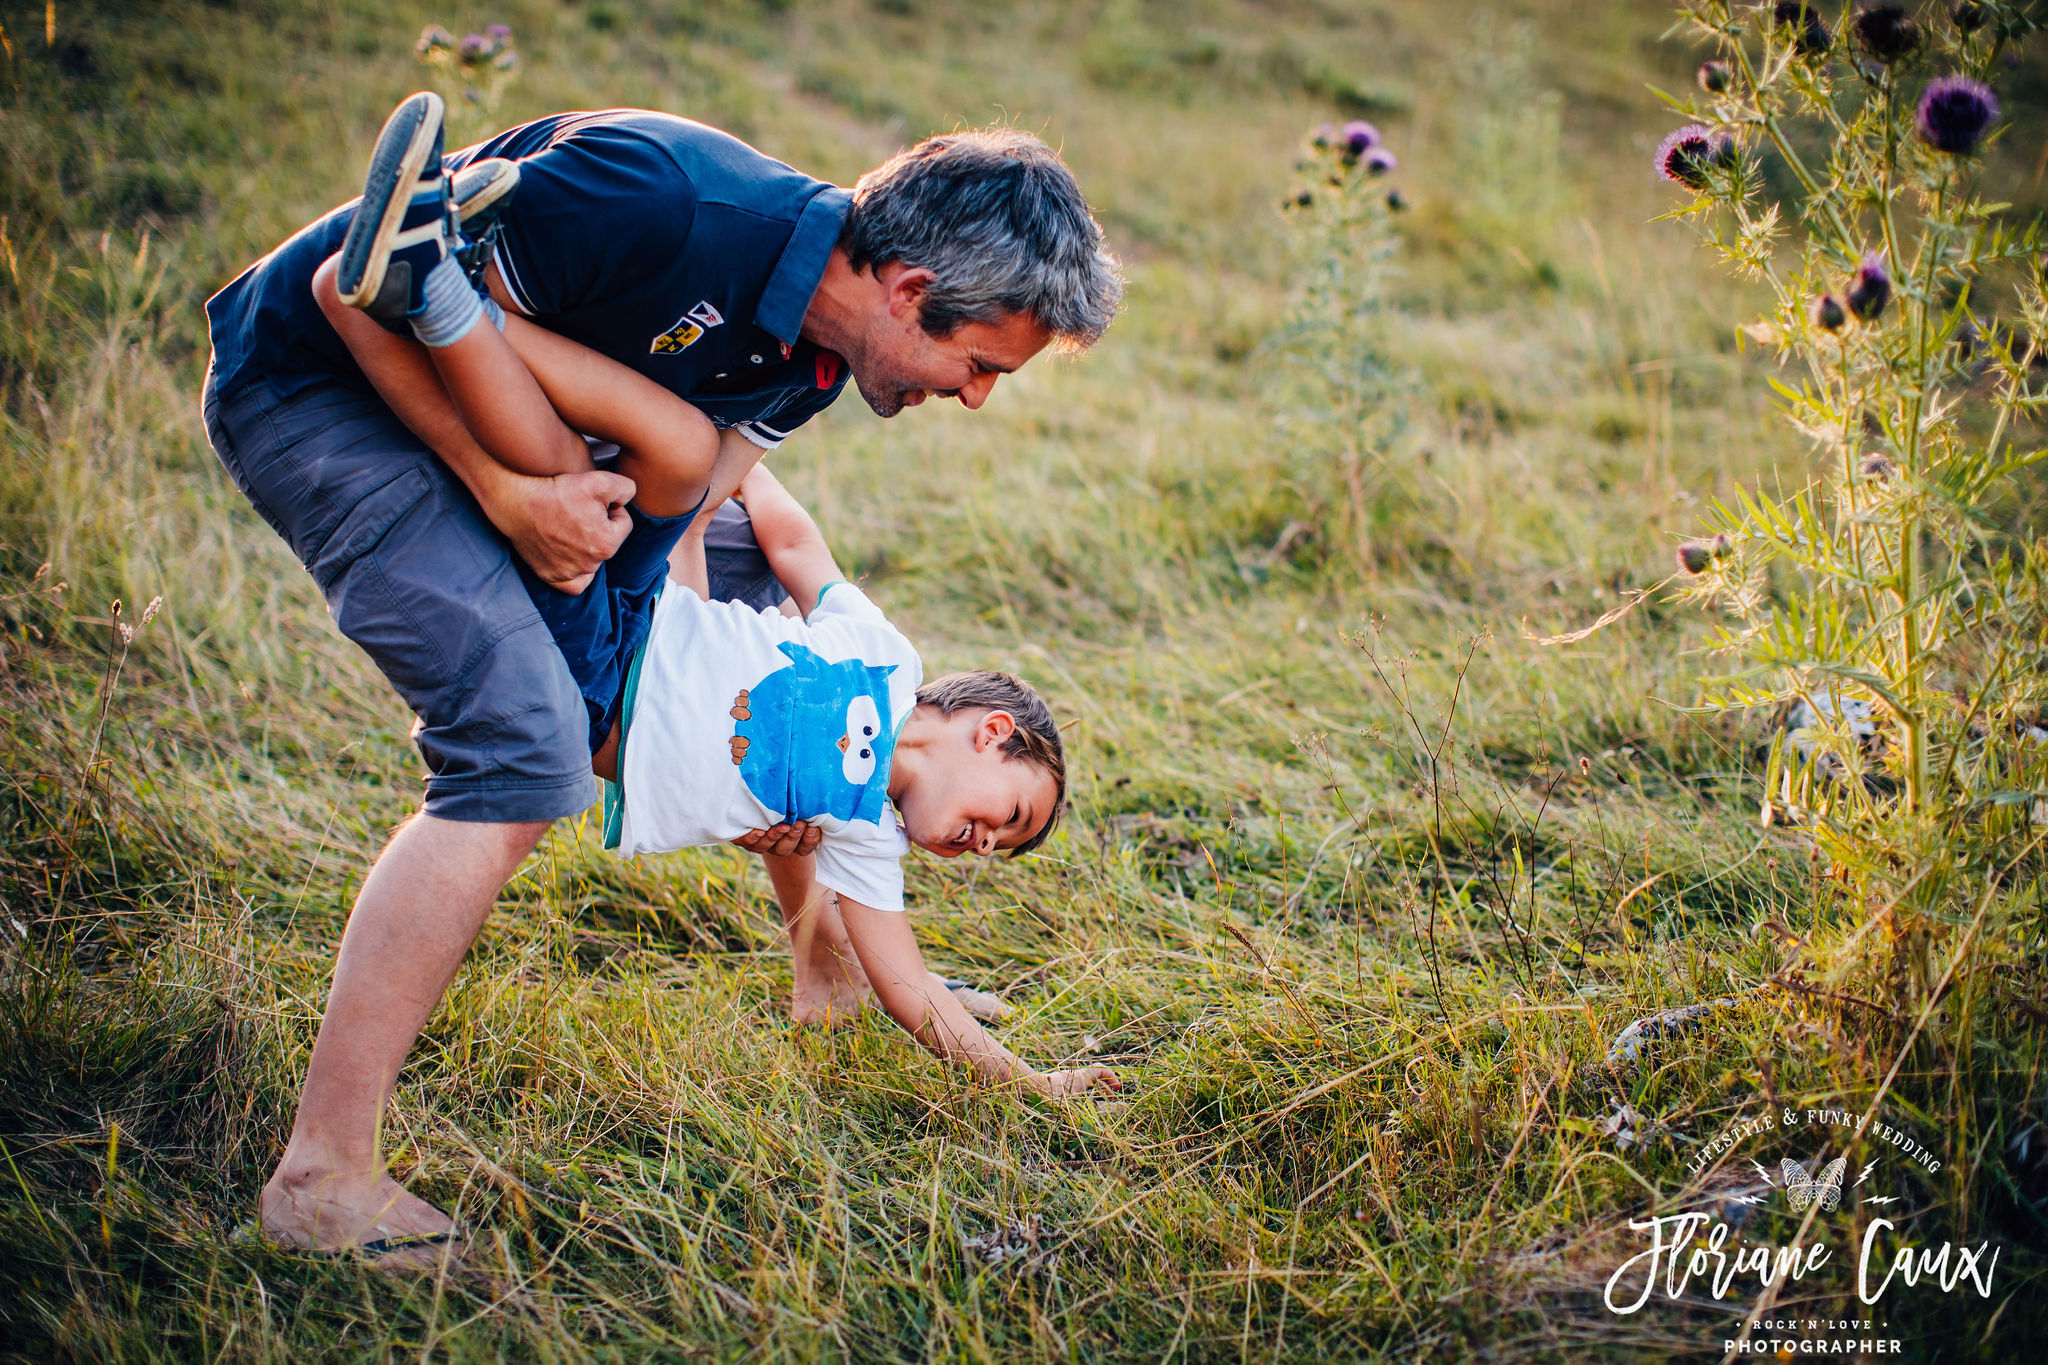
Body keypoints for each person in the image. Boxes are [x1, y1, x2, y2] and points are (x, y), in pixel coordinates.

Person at [199, 89, 1122, 1261]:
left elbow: (707, 515)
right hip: (328, 390)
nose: (976, 397)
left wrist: (726, 747)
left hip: (557, 441)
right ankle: (322, 1175)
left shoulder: (818, 362)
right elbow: (347, 294)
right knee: (526, 750)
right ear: (907, 293)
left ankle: (823, 971)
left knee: (764, 605)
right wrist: (506, 499)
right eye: (978, 362)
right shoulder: (659, 200)